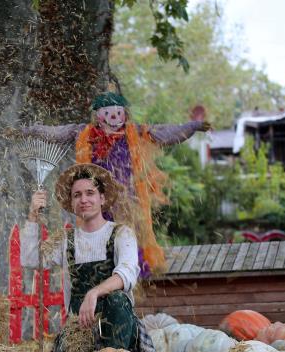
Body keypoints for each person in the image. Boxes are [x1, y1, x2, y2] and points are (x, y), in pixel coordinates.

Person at [17, 92, 211, 276]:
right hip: (95, 202)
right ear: (99, 116)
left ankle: (129, 278)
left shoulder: (134, 132)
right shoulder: (83, 132)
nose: (114, 117)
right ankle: (97, 272)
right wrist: (28, 131)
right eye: (109, 113)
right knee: (95, 241)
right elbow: (55, 133)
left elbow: (167, 134)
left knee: (127, 242)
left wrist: (192, 126)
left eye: (119, 113)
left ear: (125, 114)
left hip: (126, 202)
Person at [20, 163, 156, 352]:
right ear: (72, 203)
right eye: (77, 195)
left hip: (119, 336)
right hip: (79, 333)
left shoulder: (121, 233)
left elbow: (126, 274)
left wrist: (93, 293)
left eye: (90, 193)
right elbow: (30, 258)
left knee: (117, 299)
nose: (84, 200)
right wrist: (32, 215)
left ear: (102, 198)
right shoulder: (66, 239)